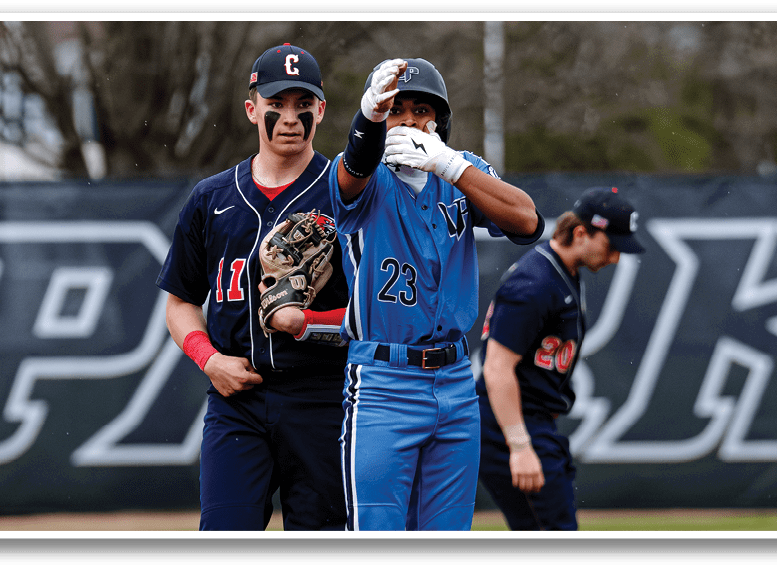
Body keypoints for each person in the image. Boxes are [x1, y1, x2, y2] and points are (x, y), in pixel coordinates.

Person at [328, 57, 545, 531]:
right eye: (395, 109)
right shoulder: (362, 174)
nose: (408, 120)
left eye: (420, 109)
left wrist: (450, 166)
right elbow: (352, 171)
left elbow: (528, 221)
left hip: (453, 383)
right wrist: (368, 120)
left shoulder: (460, 173)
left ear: (438, 120)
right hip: (383, 380)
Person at [156, 43, 348, 531]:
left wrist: (307, 323)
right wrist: (209, 360)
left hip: (322, 398)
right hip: (235, 402)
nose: (289, 118)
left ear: (320, 110)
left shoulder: (346, 194)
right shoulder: (211, 197)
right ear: (251, 109)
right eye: (276, 105)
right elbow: (179, 303)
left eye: (303, 105)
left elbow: (371, 311)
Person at [476, 186, 646, 530]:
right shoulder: (535, 283)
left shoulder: (560, 272)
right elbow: (496, 369)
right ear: (581, 232)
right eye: (611, 245)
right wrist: (520, 446)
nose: (614, 257)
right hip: (511, 427)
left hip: (531, 422)